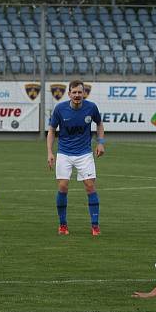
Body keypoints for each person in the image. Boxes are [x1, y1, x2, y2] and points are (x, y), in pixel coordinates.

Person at [46, 80, 105, 236]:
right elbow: (51, 130)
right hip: (64, 153)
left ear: (84, 93)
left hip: (84, 153)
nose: (77, 95)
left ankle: (95, 226)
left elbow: (99, 124)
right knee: (63, 186)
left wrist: (100, 143)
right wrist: (50, 152)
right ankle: (63, 225)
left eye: (80, 92)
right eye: (75, 92)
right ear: (69, 94)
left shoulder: (91, 107)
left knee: (90, 186)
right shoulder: (60, 109)